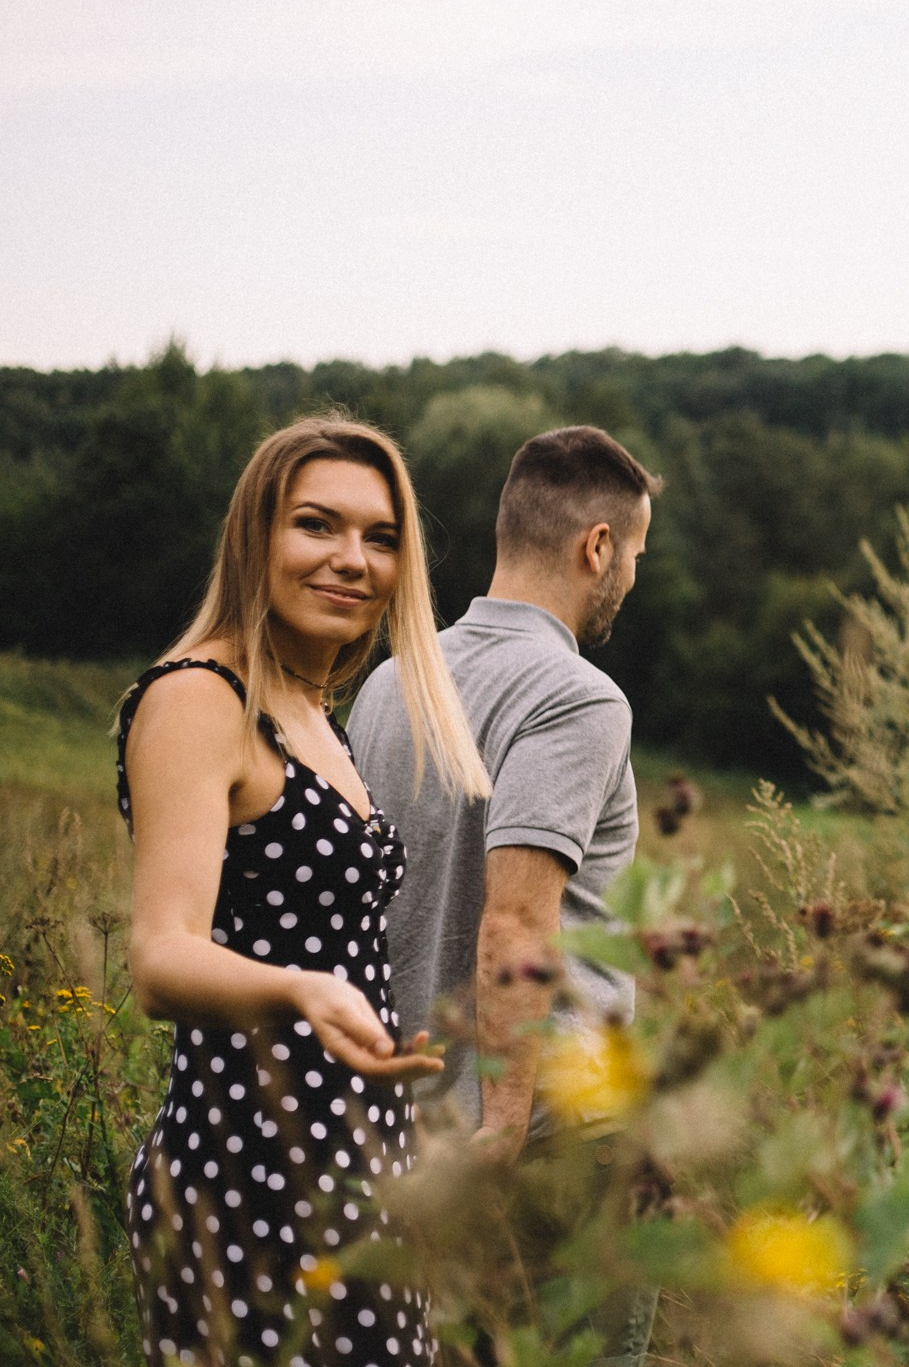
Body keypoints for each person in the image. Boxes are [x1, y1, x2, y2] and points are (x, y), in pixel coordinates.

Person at [118, 416, 491, 1367]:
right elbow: (161, 957)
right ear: (257, 538)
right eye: (317, 525)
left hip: (357, 1153)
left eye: (381, 537)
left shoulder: (315, 712)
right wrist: (300, 989)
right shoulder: (203, 698)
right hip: (253, 1162)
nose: (351, 560)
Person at [348, 425, 660, 1358]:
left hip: (415, 1120)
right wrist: (506, 1122)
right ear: (596, 546)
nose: (632, 579)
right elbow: (517, 916)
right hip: (548, 1135)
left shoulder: (392, 682)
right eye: (635, 554)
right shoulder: (580, 696)